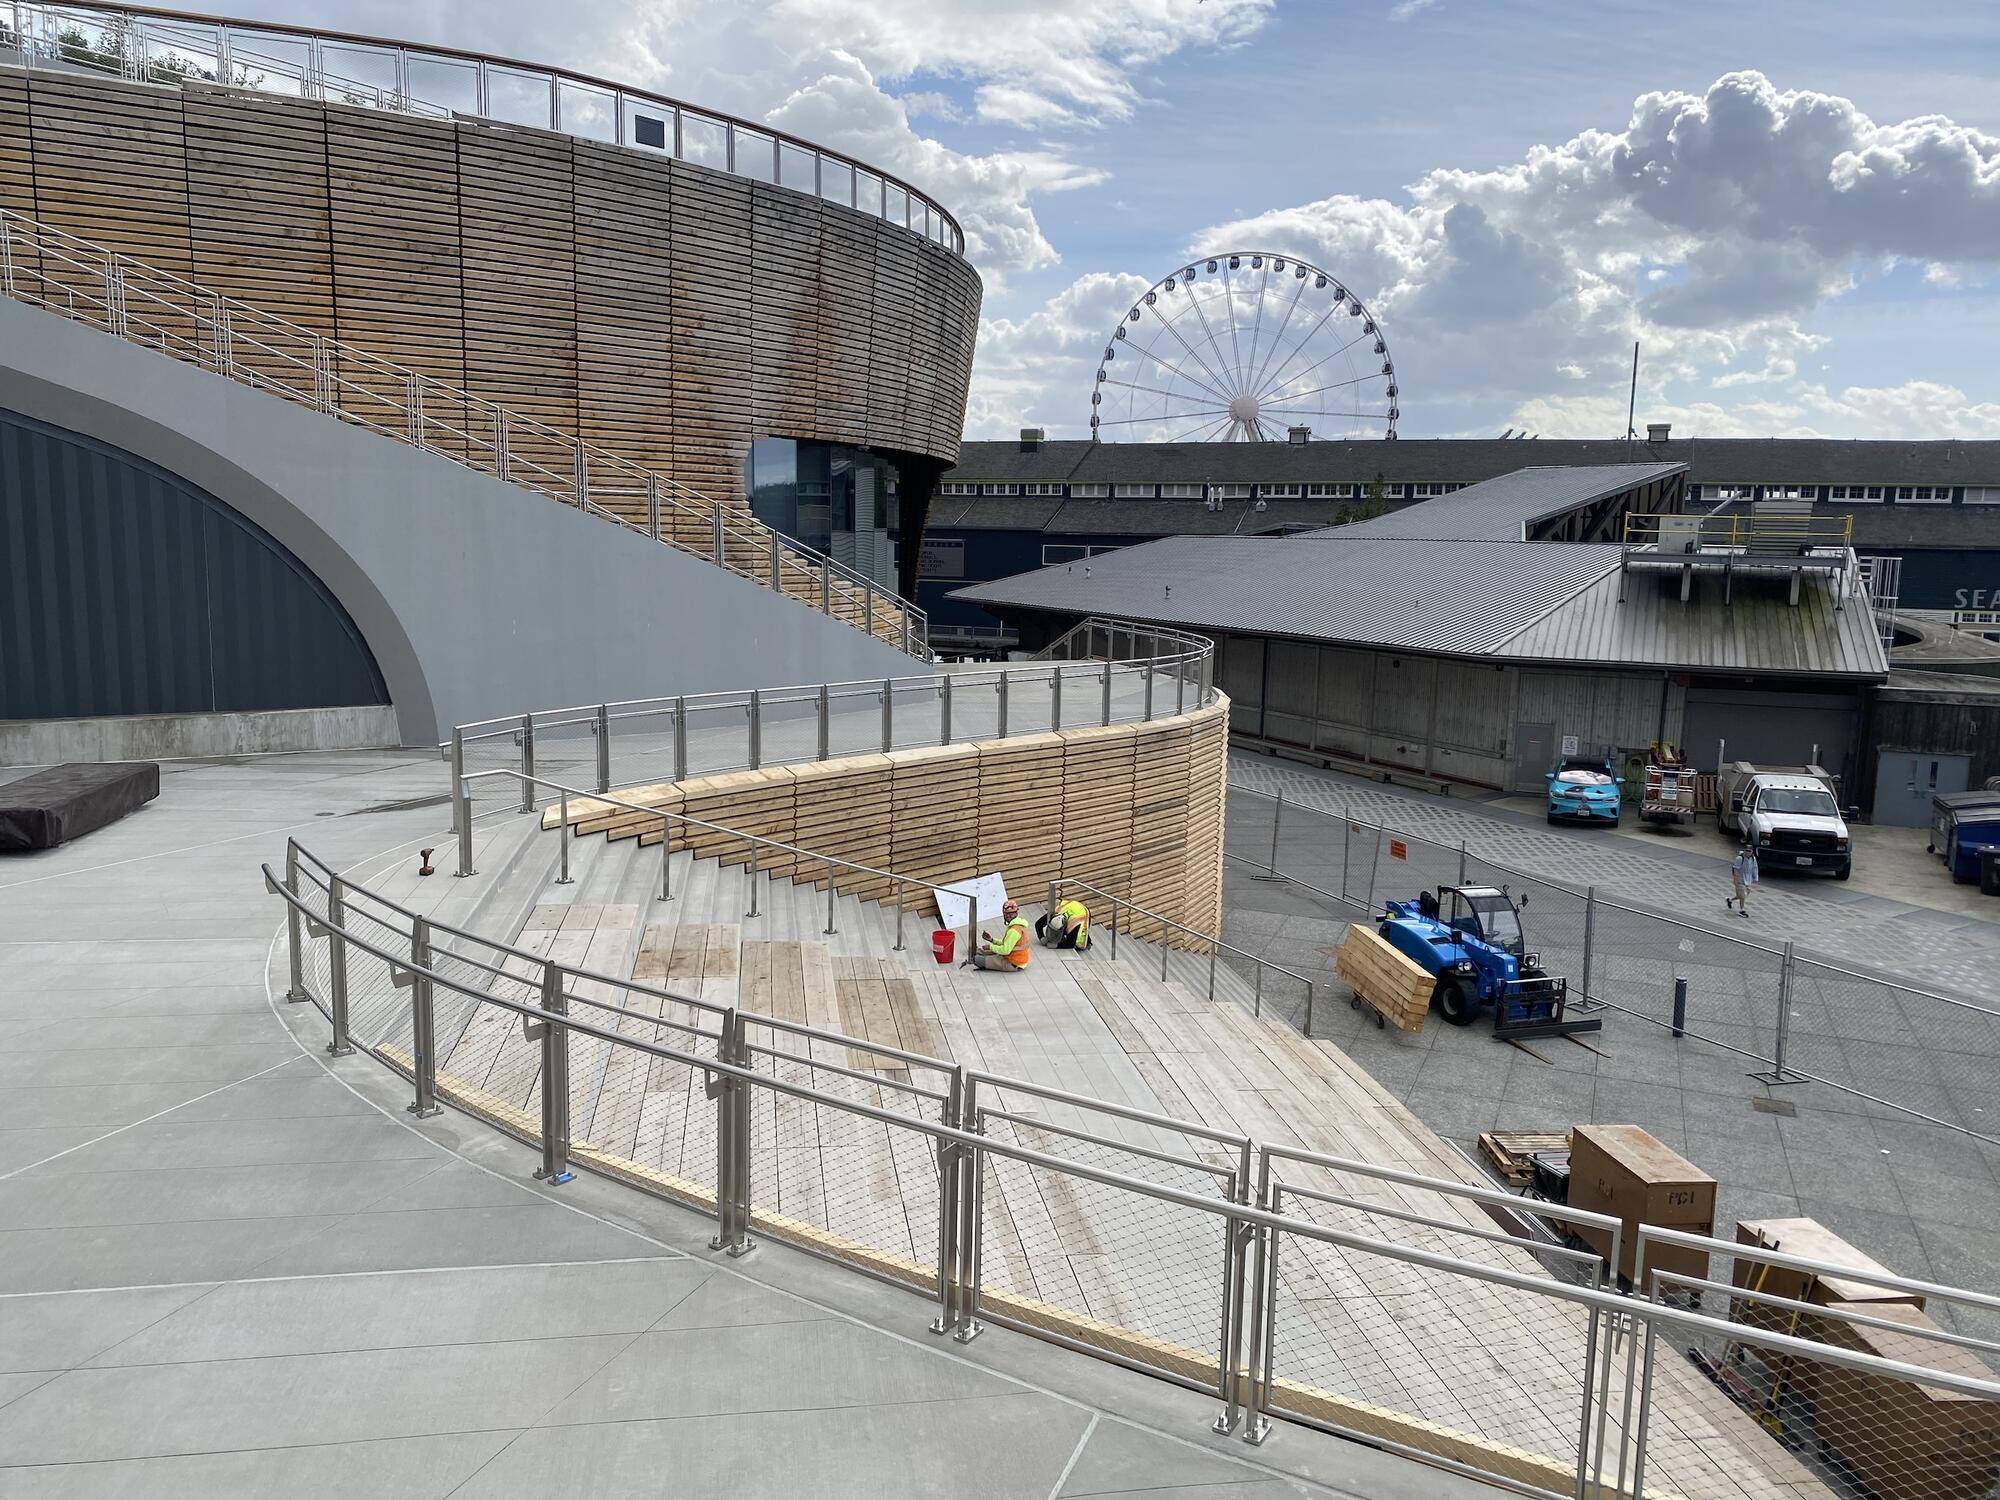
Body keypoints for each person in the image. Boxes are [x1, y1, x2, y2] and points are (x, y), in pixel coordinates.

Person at [971, 899, 1032, 971]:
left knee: (978, 960)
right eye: (1006, 914)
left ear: (1016, 913)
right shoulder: (1019, 925)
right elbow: (1006, 944)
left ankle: (976, 954)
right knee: (982, 952)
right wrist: (992, 940)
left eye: (1011, 913)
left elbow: (1005, 950)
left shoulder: (1014, 930)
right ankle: (976, 951)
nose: (1008, 916)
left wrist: (990, 947)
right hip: (1017, 959)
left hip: (1013, 963)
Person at [1727, 844, 1759, 917]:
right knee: (1742, 896)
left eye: (1749, 851)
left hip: (1748, 880)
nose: (1747, 852)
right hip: (1740, 880)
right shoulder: (1740, 858)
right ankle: (1741, 910)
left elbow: (1755, 868)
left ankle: (1730, 900)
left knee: (1741, 895)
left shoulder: (1753, 858)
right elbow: (1735, 869)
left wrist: (1755, 877)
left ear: (1752, 852)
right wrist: (1735, 879)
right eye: (1746, 850)